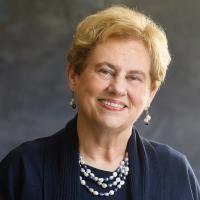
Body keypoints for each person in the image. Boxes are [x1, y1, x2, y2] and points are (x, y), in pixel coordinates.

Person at [0, 5, 199, 200]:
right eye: (105, 71)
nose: (118, 88)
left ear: (151, 93)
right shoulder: (23, 170)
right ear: (74, 75)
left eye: (134, 77)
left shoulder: (175, 173)